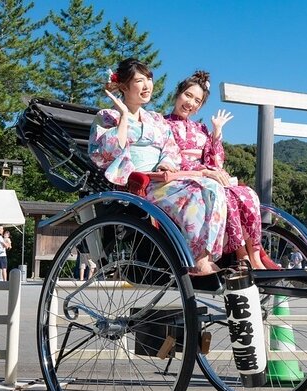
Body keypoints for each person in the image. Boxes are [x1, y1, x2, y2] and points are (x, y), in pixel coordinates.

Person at [89, 58, 227, 275]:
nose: (147, 86)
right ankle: (194, 259)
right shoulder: (108, 116)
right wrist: (124, 117)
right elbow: (105, 154)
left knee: (213, 188)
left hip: (160, 178)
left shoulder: (155, 119)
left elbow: (170, 148)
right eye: (139, 81)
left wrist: (165, 164)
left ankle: (204, 256)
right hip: (136, 182)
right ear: (124, 86)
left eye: (149, 79)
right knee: (195, 193)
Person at [165, 70, 269, 270]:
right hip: (183, 175)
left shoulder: (201, 129)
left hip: (206, 173)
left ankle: (254, 253)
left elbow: (215, 161)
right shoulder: (162, 123)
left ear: (200, 106)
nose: (191, 103)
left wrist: (217, 132)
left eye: (197, 100)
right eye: (188, 95)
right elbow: (170, 157)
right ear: (178, 93)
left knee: (246, 194)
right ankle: (240, 254)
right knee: (222, 194)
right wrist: (203, 172)